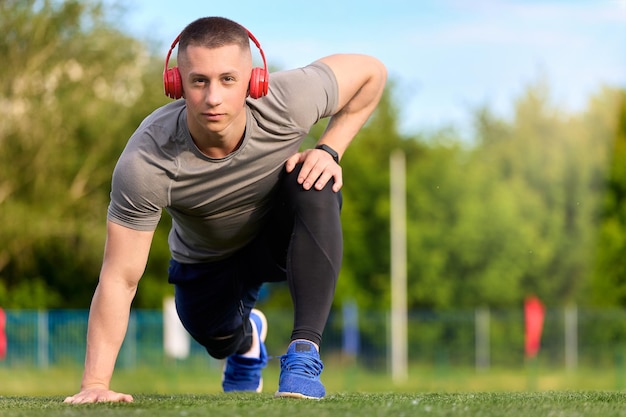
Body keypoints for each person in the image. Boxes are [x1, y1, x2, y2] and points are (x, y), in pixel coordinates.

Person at [64, 16, 386, 403]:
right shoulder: (146, 161)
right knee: (215, 337)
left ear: (255, 80)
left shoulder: (288, 99)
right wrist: (95, 384)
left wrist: (330, 148)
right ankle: (248, 340)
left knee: (315, 179)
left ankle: (303, 355)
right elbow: (120, 278)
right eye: (199, 81)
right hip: (206, 263)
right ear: (176, 83)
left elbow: (372, 72)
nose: (213, 97)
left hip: (276, 236)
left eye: (228, 80)